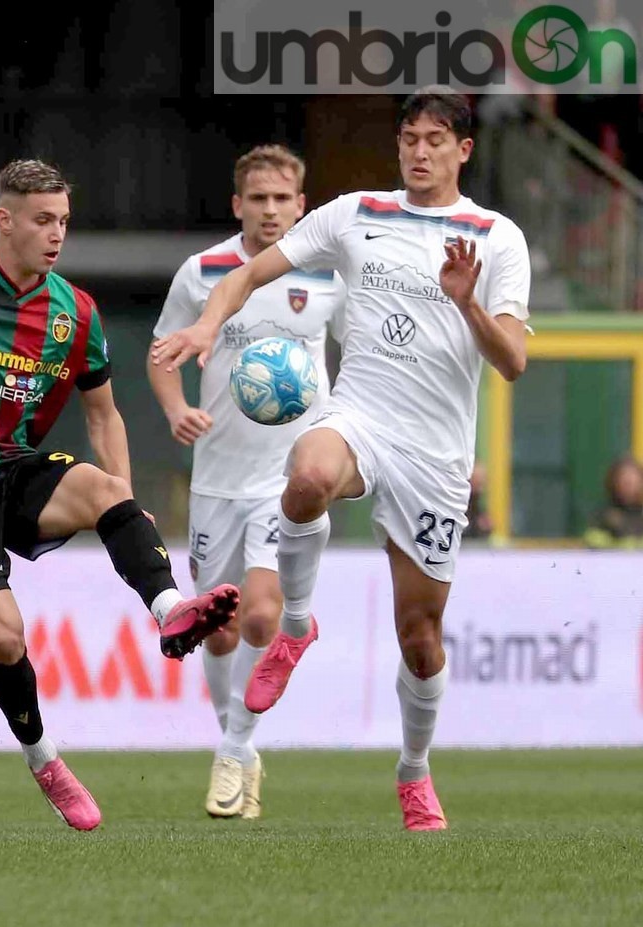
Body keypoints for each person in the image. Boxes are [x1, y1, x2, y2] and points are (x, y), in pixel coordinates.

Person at [152, 86, 530, 830]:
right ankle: (295, 624)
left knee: (420, 640)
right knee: (309, 476)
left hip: (435, 451)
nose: (419, 152)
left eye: (434, 140)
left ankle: (414, 772)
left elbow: (513, 358)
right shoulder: (357, 212)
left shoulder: (495, 237)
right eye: (409, 138)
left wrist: (467, 302)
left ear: (463, 150)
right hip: (357, 413)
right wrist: (205, 328)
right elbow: (246, 274)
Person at [0, 159, 240, 832]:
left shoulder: (74, 311)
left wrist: (125, 499)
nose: (56, 234)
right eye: (41, 220)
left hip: (16, 467)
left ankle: (172, 609)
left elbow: (103, 415)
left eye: (63, 220)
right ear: (4, 219)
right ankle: (45, 759)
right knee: (4, 637)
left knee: (102, 487)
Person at [148, 145, 344, 819]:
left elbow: (361, 358)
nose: (269, 209)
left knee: (262, 612)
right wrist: (176, 408)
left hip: (286, 479)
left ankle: (232, 751)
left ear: (302, 204)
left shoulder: (327, 275)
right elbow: (162, 356)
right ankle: (241, 744)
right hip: (216, 482)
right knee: (222, 631)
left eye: (281, 198)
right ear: (238, 204)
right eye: (257, 198)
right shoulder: (202, 272)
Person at [585, 455, 643, 547]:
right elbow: (593, 541)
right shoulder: (603, 515)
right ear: (614, 482)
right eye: (624, 481)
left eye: (632, 481)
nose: (629, 486)